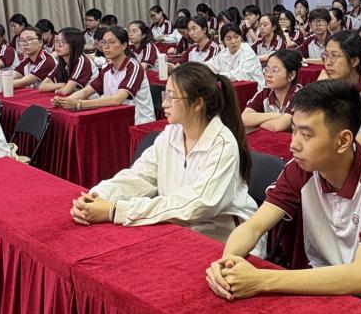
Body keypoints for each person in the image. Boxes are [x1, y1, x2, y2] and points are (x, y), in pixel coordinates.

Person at [205, 80, 361, 314]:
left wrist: (261, 280)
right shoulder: (301, 168)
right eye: (293, 130)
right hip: (325, 281)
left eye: (306, 135)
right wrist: (227, 262)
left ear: (343, 141)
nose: (293, 144)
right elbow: (254, 226)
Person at [69, 63, 258, 239]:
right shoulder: (171, 134)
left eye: (171, 97)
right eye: (164, 95)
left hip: (222, 238)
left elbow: (198, 205)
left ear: (198, 104)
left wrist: (115, 210)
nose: (164, 104)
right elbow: (140, 176)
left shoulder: (222, 144)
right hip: (180, 227)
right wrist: (97, 196)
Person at [53, 25, 156, 124]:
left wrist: (79, 104)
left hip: (138, 122)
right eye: (103, 42)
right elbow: (86, 91)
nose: (105, 47)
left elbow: (117, 99)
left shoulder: (133, 67)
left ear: (124, 46)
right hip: (114, 119)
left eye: (111, 42)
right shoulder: (107, 69)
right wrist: (64, 101)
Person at [242, 48, 304, 132]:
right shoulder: (265, 92)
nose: (268, 74)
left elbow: (279, 126)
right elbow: (244, 118)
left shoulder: (300, 96)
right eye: (266, 69)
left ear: (291, 75)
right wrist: (276, 115)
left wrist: (256, 122)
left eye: (275, 70)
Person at [38, 27, 98, 95]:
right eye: (57, 41)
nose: (57, 45)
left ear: (73, 44)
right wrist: (62, 85)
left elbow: (66, 91)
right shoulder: (62, 62)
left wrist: (59, 88)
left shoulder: (82, 61)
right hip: (74, 97)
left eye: (62, 42)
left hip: (90, 99)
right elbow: (42, 87)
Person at [212, 23, 266, 88]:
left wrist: (219, 76)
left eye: (236, 37)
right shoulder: (223, 53)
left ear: (241, 37)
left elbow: (242, 74)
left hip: (254, 90)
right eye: (229, 39)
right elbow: (211, 66)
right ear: (223, 41)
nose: (233, 41)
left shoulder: (247, 51)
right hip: (233, 89)